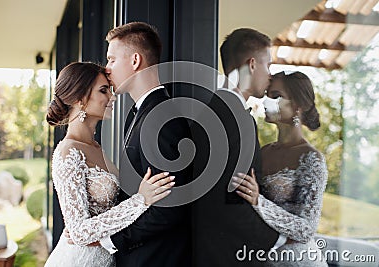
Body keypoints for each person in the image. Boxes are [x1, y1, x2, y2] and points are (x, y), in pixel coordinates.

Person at [44, 62, 175, 267]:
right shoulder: (67, 152)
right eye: (103, 91)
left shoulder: (96, 147)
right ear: (79, 99)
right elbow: (79, 232)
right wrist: (140, 200)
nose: (112, 97)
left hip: (109, 258)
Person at [103, 22, 193, 267]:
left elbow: (169, 208)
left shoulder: (163, 120)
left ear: (135, 60)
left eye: (111, 59)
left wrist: (112, 240)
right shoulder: (137, 113)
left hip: (155, 259)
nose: (107, 68)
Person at [192, 28, 283, 266]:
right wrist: (277, 239)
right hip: (229, 256)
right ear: (252, 64)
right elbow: (229, 203)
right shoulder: (236, 119)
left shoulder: (209, 112)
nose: (270, 74)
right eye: (268, 65)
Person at [233, 71, 328, 266]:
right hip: (261, 257)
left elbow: (306, 229)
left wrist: (259, 201)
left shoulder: (311, 159)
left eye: (276, 96)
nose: (267, 101)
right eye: (267, 94)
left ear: (297, 107)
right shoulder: (264, 151)